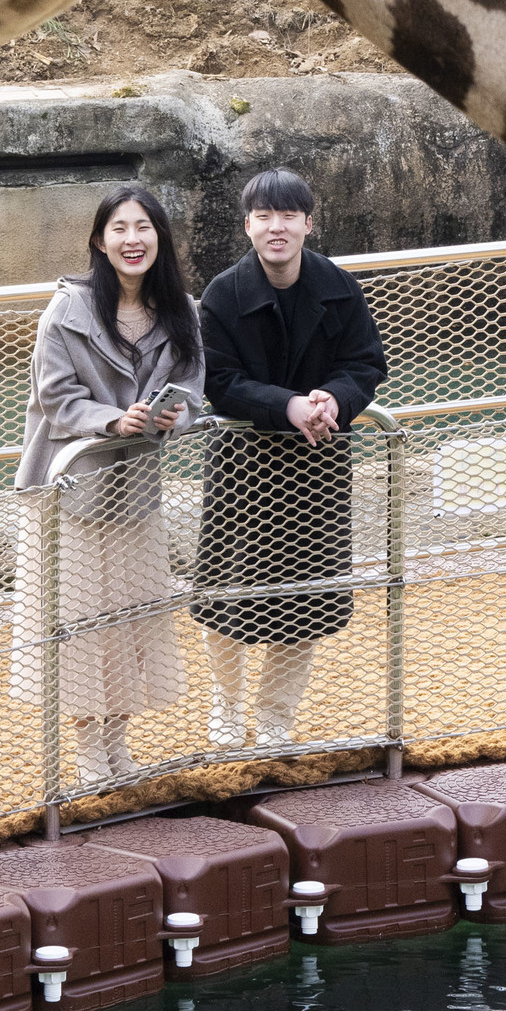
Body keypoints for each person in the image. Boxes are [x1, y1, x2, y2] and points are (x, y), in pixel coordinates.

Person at [13, 185, 205, 788]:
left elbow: (196, 384)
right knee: (80, 624)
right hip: (74, 489)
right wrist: (110, 419)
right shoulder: (67, 310)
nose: (133, 239)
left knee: (132, 618)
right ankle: (89, 751)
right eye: (120, 228)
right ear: (100, 240)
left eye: (144, 227)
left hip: (136, 492)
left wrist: (180, 414)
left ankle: (119, 743)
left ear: (160, 239)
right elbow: (56, 397)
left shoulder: (182, 311)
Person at [192, 169, 388, 747]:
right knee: (225, 596)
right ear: (247, 224)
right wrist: (289, 404)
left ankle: (276, 715)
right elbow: (218, 382)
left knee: (305, 599)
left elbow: (366, 365)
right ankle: (226, 706)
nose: (276, 227)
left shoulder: (339, 286)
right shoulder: (223, 293)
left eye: (288, 216)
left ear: (308, 222)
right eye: (264, 216)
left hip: (319, 464)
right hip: (243, 466)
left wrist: (334, 398)